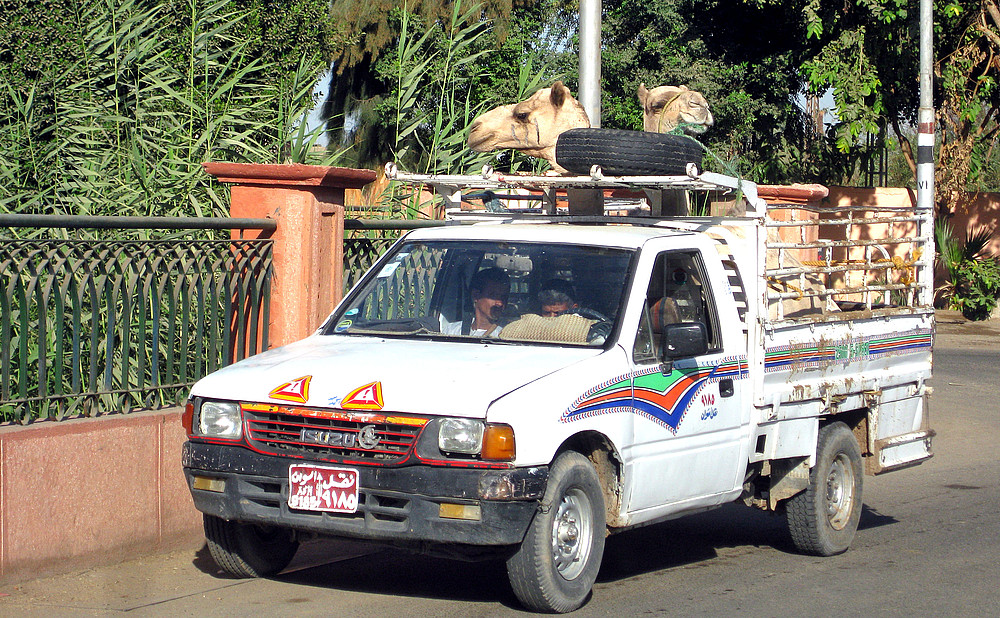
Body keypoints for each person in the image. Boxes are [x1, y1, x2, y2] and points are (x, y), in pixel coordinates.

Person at [441, 267, 510, 337]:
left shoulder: (507, 336)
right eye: (493, 296)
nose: (500, 303)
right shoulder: (452, 331)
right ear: (476, 295)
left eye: (503, 297)